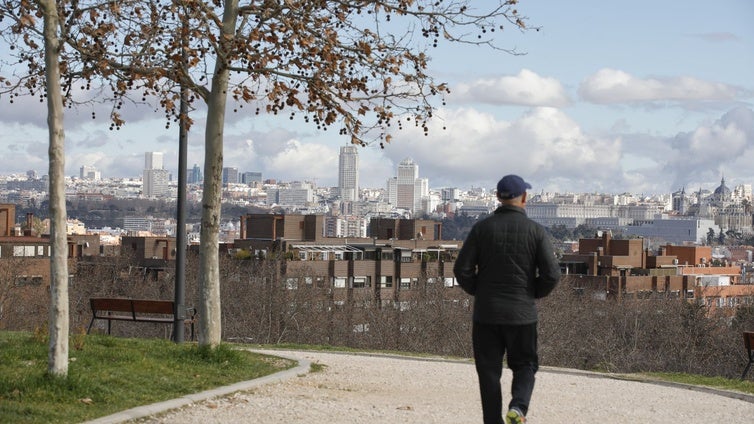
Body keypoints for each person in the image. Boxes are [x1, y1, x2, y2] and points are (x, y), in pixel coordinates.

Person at [453, 174, 561, 424]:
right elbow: (552, 274)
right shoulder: (536, 231)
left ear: (497, 198)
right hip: (522, 315)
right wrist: (533, 292)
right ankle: (518, 408)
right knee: (525, 365)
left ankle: (493, 421)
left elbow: (462, 270)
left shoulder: (482, 229)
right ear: (524, 197)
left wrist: (479, 291)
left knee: (489, 372)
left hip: (487, 314)